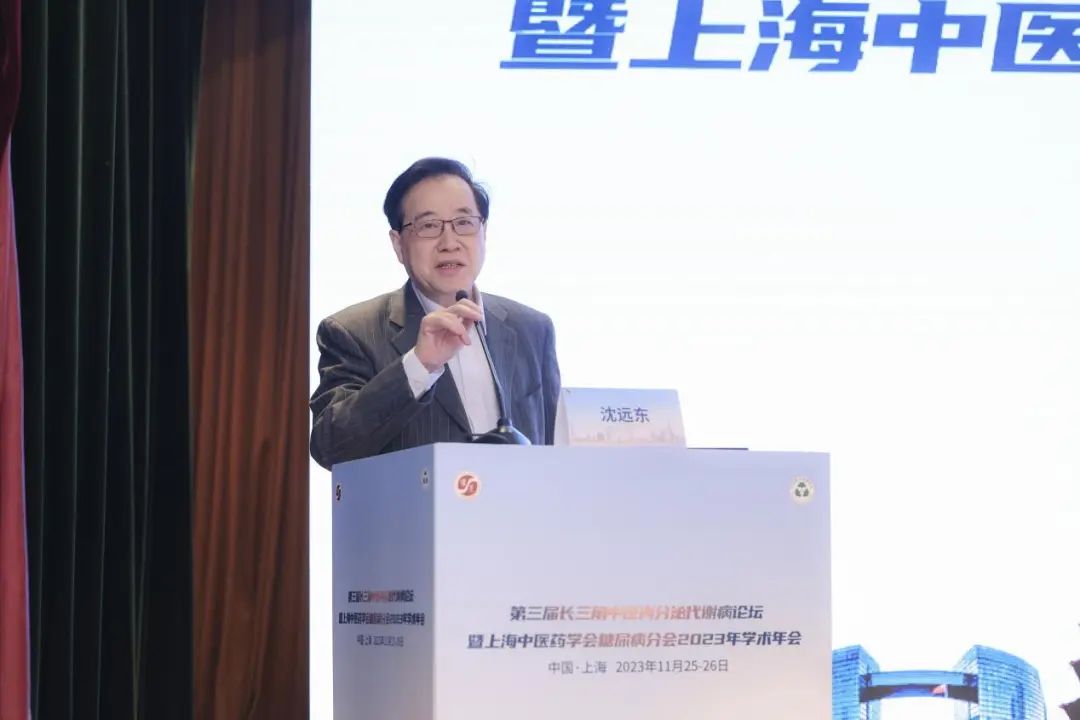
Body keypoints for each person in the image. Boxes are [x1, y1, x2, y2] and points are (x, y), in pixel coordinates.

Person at [309, 157, 561, 469]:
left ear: (484, 232)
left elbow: (556, 449)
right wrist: (419, 365)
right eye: (428, 226)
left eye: (464, 223)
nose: (449, 243)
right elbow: (331, 447)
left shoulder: (532, 329)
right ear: (398, 244)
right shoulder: (353, 331)